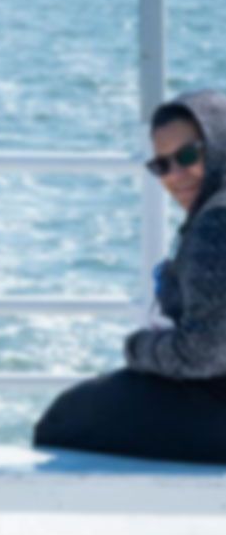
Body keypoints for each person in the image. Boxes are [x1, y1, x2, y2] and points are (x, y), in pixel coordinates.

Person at [34, 89, 226, 463]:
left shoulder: (216, 222)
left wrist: (139, 347)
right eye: (162, 165)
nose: (175, 176)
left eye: (188, 156)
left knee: (64, 421)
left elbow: (204, 353)